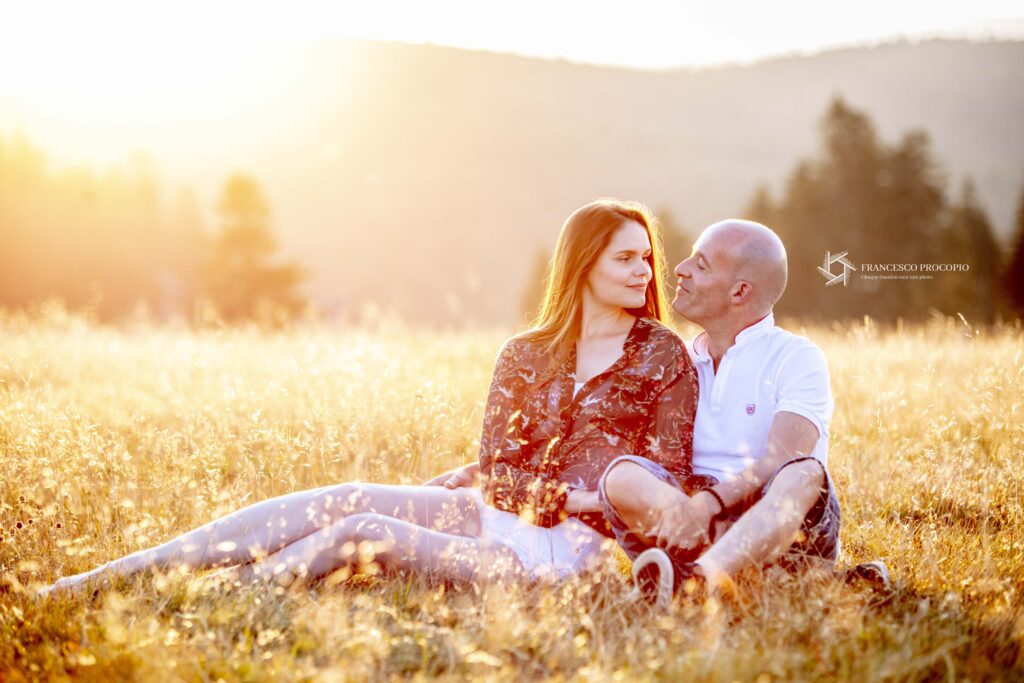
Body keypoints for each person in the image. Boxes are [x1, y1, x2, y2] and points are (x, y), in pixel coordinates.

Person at [41, 199, 702, 596]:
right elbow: (499, 469)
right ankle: (103, 577)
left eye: (646, 258)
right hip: (491, 512)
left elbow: (662, 478)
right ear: (583, 262)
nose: (644, 272)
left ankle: (219, 595)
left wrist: (576, 500)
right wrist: (518, 487)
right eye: (626, 258)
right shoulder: (526, 352)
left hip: (566, 551)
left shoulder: (662, 354)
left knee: (364, 530)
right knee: (341, 496)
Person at [597, 219, 856, 606]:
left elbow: (784, 456)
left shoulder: (796, 356)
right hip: (689, 519)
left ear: (739, 292)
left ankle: (699, 580)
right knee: (621, 475)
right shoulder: (678, 361)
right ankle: (721, 574)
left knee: (805, 472)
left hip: (781, 528)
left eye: (700, 265)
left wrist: (711, 502)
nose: (679, 270)